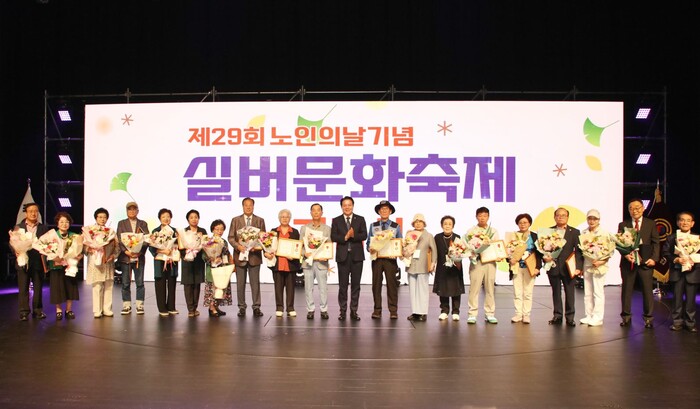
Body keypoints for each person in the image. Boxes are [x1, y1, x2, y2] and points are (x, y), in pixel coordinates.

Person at [618, 198, 659, 329]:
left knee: (647, 291)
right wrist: (625, 254)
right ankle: (626, 317)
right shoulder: (623, 224)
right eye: (631, 208)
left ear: (643, 208)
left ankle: (648, 318)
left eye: (637, 208)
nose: (634, 211)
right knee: (626, 290)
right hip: (628, 263)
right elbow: (619, 243)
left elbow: (656, 242)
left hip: (646, 263)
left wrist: (654, 259)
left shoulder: (650, 223)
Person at [544, 207, 583, 327]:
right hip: (553, 266)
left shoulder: (574, 232)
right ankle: (557, 316)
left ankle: (570, 317)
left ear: (568, 217)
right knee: (556, 292)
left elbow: (579, 251)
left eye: (563, 215)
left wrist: (578, 267)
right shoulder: (548, 231)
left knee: (570, 293)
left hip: (569, 268)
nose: (560, 217)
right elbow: (543, 248)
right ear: (554, 217)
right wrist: (545, 257)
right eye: (558, 215)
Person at [228, 197, 266, 318]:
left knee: (255, 284)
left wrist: (257, 247)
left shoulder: (260, 220)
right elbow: (231, 238)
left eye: (250, 205)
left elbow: (263, 238)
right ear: (243, 206)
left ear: (253, 206)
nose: (248, 207)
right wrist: (238, 247)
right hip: (240, 256)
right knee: (240, 284)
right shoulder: (235, 220)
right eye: (246, 205)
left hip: (254, 256)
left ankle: (256, 307)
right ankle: (241, 307)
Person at [331, 196, 367, 321]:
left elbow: (364, 235)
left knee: (356, 285)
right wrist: (345, 237)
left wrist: (353, 235)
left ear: (353, 206)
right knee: (343, 286)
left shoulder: (360, 219)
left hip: (357, 257)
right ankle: (342, 311)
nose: (347, 207)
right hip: (343, 257)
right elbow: (333, 236)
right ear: (341, 207)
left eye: (349, 205)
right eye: (345, 205)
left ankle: (354, 311)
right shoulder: (336, 220)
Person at [12, 202, 49, 321]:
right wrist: (16, 251)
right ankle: (24, 312)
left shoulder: (43, 227)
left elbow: (48, 243)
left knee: (38, 288)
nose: (33, 213)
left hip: (38, 261)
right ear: (26, 213)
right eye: (31, 211)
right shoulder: (18, 227)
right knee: (23, 288)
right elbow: (12, 242)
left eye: (36, 211)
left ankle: (38, 311)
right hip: (23, 261)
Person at [662, 211, 698, 332]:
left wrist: (692, 259)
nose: (685, 223)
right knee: (677, 298)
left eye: (688, 220)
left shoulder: (697, 238)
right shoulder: (671, 237)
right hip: (677, 272)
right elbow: (665, 253)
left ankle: (690, 323)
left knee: (691, 300)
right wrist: (677, 259)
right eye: (682, 220)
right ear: (678, 223)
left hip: (692, 272)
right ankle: (677, 322)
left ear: (692, 223)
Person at [367, 200, 403, 320]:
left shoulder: (395, 226)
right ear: (378, 211)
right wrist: (370, 248)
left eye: (386, 209)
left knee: (392, 285)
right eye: (382, 209)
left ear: (390, 211)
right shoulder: (373, 226)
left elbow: (400, 242)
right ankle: (377, 310)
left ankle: (393, 310)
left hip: (390, 260)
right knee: (376, 285)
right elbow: (368, 242)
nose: (384, 211)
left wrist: (397, 252)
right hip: (376, 259)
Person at [466, 207, 501, 325]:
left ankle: (490, 313)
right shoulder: (471, 231)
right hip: (477, 262)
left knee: (490, 288)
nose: (482, 218)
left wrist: (499, 255)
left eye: (485, 216)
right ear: (476, 217)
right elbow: (468, 247)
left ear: (488, 217)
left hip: (490, 262)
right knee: (474, 288)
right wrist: (474, 251)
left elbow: (497, 246)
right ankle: (472, 314)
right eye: (480, 215)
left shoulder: (493, 231)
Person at [266, 209, 301, 317]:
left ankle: (290, 308)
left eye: (287, 217)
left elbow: (298, 247)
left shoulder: (295, 232)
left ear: (290, 218)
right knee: (278, 287)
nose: (285, 219)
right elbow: (267, 246)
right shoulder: (273, 231)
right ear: (279, 218)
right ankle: (279, 307)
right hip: (278, 263)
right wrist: (267, 253)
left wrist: (294, 256)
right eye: (282, 217)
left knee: (291, 288)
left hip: (290, 264)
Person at [85, 208, 119, 318]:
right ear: (96, 218)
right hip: (95, 262)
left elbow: (117, 246)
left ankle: (107, 309)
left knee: (109, 286)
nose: (102, 219)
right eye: (100, 217)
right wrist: (89, 249)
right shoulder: (90, 231)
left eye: (104, 217)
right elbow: (84, 246)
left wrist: (114, 255)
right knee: (97, 286)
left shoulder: (111, 231)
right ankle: (97, 310)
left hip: (108, 261)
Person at [579, 209, 611, 327]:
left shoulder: (604, 233)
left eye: (594, 219)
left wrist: (602, 261)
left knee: (598, 292)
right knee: (587, 291)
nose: (592, 221)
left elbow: (610, 250)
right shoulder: (583, 232)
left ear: (599, 220)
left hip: (599, 266)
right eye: (590, 219)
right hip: (587, 264)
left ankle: (598, 317)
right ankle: (589, 315)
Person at [116, 201, 149, 315]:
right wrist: (126, 252)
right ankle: (126, 305)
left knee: (140, 282)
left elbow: (146, 240)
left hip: (139, 258)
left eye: (134, 209)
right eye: (129, 209)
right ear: (126, 211)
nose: (132, 211)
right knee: (125, 283)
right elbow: (120, 239)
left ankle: (140, 305)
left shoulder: (143, 224)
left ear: (137, 211)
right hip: (126, 257)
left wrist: (139, 253)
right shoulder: (121, 223)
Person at [48, 212, 82, 320]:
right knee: (57, 287)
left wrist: (78, 257)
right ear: (57, 223)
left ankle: (69, 309)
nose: (64, 224)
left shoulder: (74, 236)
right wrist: (55, 257)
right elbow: (47, 250)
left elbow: (80, 251)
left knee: (70, 286)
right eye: (61, 222)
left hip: (69, 266)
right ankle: (58, 310)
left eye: (67, 222)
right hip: (56, 265)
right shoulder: (52, 236)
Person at [508, 213, 541, 324]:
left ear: (530, 223)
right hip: (516, 267)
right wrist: (510, 259)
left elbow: (539, 253)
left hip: (530, 267)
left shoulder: (535, 236)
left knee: (528, 292)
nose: (522, 224)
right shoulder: (513, 236)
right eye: (520, 222)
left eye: (525, 222)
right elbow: (508, 251)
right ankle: (518, 314)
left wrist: (538, 267)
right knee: (517, 292)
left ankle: (526, 314)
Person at [300, 203, 331, 320]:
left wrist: (326, 256)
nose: (316, 212)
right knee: (308, 288)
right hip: (307, 262)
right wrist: (304, 253)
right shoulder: (304, 228)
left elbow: (329, 246)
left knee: (323, 288)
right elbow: (300, 245)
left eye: (318, 210)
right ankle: (310, 309)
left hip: (321, 263)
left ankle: (324, 310)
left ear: (322, 213)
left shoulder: (327, 228)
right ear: (311, 213)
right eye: (314, 210)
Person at [404, 214, 437, 321]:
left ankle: (422, 312)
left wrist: (433, 263)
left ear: (424, 223)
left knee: (422, 290)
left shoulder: (428, 236)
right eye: (416, 222)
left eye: (420, 222)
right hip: (411, 266)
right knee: (412, 290)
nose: (418, 224)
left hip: (423, 265)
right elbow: (404, 247)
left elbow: (434, 250)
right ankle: (415, 312)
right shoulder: (409, 234)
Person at [433, 215, 465, 321]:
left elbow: (461, 252)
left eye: (450, 224)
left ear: (453, 226)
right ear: (442, 225)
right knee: (443, 288)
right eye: (445, 224)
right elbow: (434, 252)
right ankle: (444, 311)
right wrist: (432, 263)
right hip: (442, 267)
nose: (447, 226)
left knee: (456, 288)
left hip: (455, 267)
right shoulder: (437, 237)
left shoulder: (457, 237)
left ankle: (456, 312)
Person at [149, 208, 179, 317]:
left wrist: (173, 249)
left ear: (171, 218)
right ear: (159, 218)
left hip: (171, 260)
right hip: (160, 261)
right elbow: (151, 248)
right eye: (163, 217)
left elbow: (178, 245)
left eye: (168, 216)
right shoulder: (155, 231)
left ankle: (171, 307)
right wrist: (163, 251)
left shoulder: (175, 231)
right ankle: (162, 308)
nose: (166, 218)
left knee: (172, 282)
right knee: (160, 283)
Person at [203, 219, 233, 318]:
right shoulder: (208, 241)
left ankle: (216, 306)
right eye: (217, 229)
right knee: (212, 289)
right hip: (212, 269)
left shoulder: (224, 241)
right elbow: (204, 256)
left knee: (221, 289)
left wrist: (226, 262)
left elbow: (226, 254)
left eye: (222, 229)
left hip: (222, 268)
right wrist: (212, 259)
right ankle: (212, 308)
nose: (220, 231)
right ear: (212, 229)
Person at [180, 209, 207, 317]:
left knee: (197, 284)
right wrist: (187, 252)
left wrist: (198, 249)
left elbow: (206, 245)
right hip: (187, 260)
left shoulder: (202, 231)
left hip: (198, 260)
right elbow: (180, 246)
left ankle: (195, 307)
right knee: (188, 284)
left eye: (196, 217)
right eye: (191, 217)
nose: (194, 219)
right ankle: (190, 309)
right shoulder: (183, 231)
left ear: (198, 219)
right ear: (188, 219)